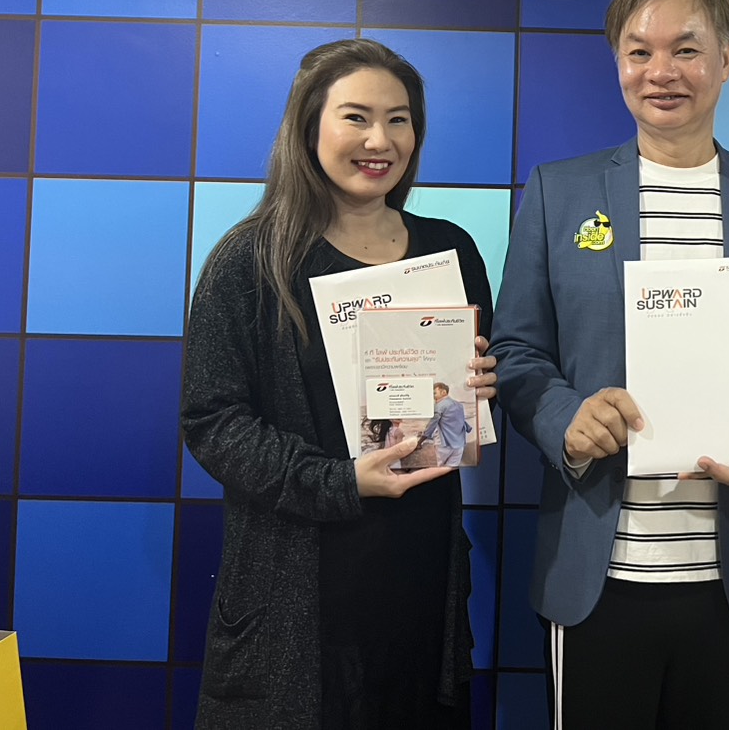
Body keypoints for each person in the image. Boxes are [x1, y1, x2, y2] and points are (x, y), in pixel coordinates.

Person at [489, 0, 729, 729]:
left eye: (686, 49)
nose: (660, 71)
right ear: (617, 61)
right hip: (599, 566)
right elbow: (516, 351)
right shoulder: (558, 193)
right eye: (639, 51)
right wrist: (566, 420)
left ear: (725, 60)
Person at [182, 39, 496, 730]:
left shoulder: (450, 249)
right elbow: (212, 421)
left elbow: (464, 401)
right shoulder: (250, 260)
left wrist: (479, 383)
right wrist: (340, 481)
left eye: (399, 119)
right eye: (356, 117)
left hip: (420, 581)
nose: (380, 140)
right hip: (298, 593)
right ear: (308, 127)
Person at [422, 383, 474, 467]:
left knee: (439, 469)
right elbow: (461, 420)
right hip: (459, 444)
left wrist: (420, 440)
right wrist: (468, 428)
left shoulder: (439, 406)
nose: (433, 396)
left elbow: (432, 424)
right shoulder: (459, 404)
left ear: (443, 392)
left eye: (435, 393)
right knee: (451, 468)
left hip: (444, 444)